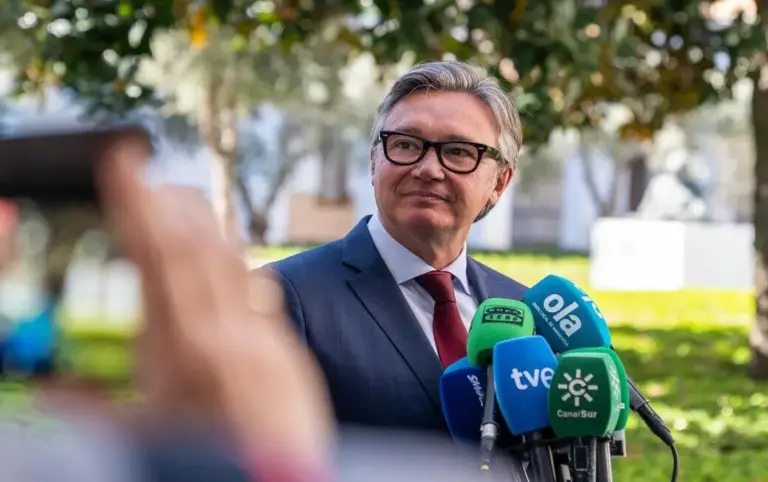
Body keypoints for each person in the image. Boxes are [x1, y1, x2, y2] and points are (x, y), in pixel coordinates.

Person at [267, 60, 527, 433]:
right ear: (374, 162)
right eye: (405, 144)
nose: (428, 169)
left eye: (457, 152)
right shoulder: (281, 296)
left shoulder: (525, 313)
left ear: (500, 182)